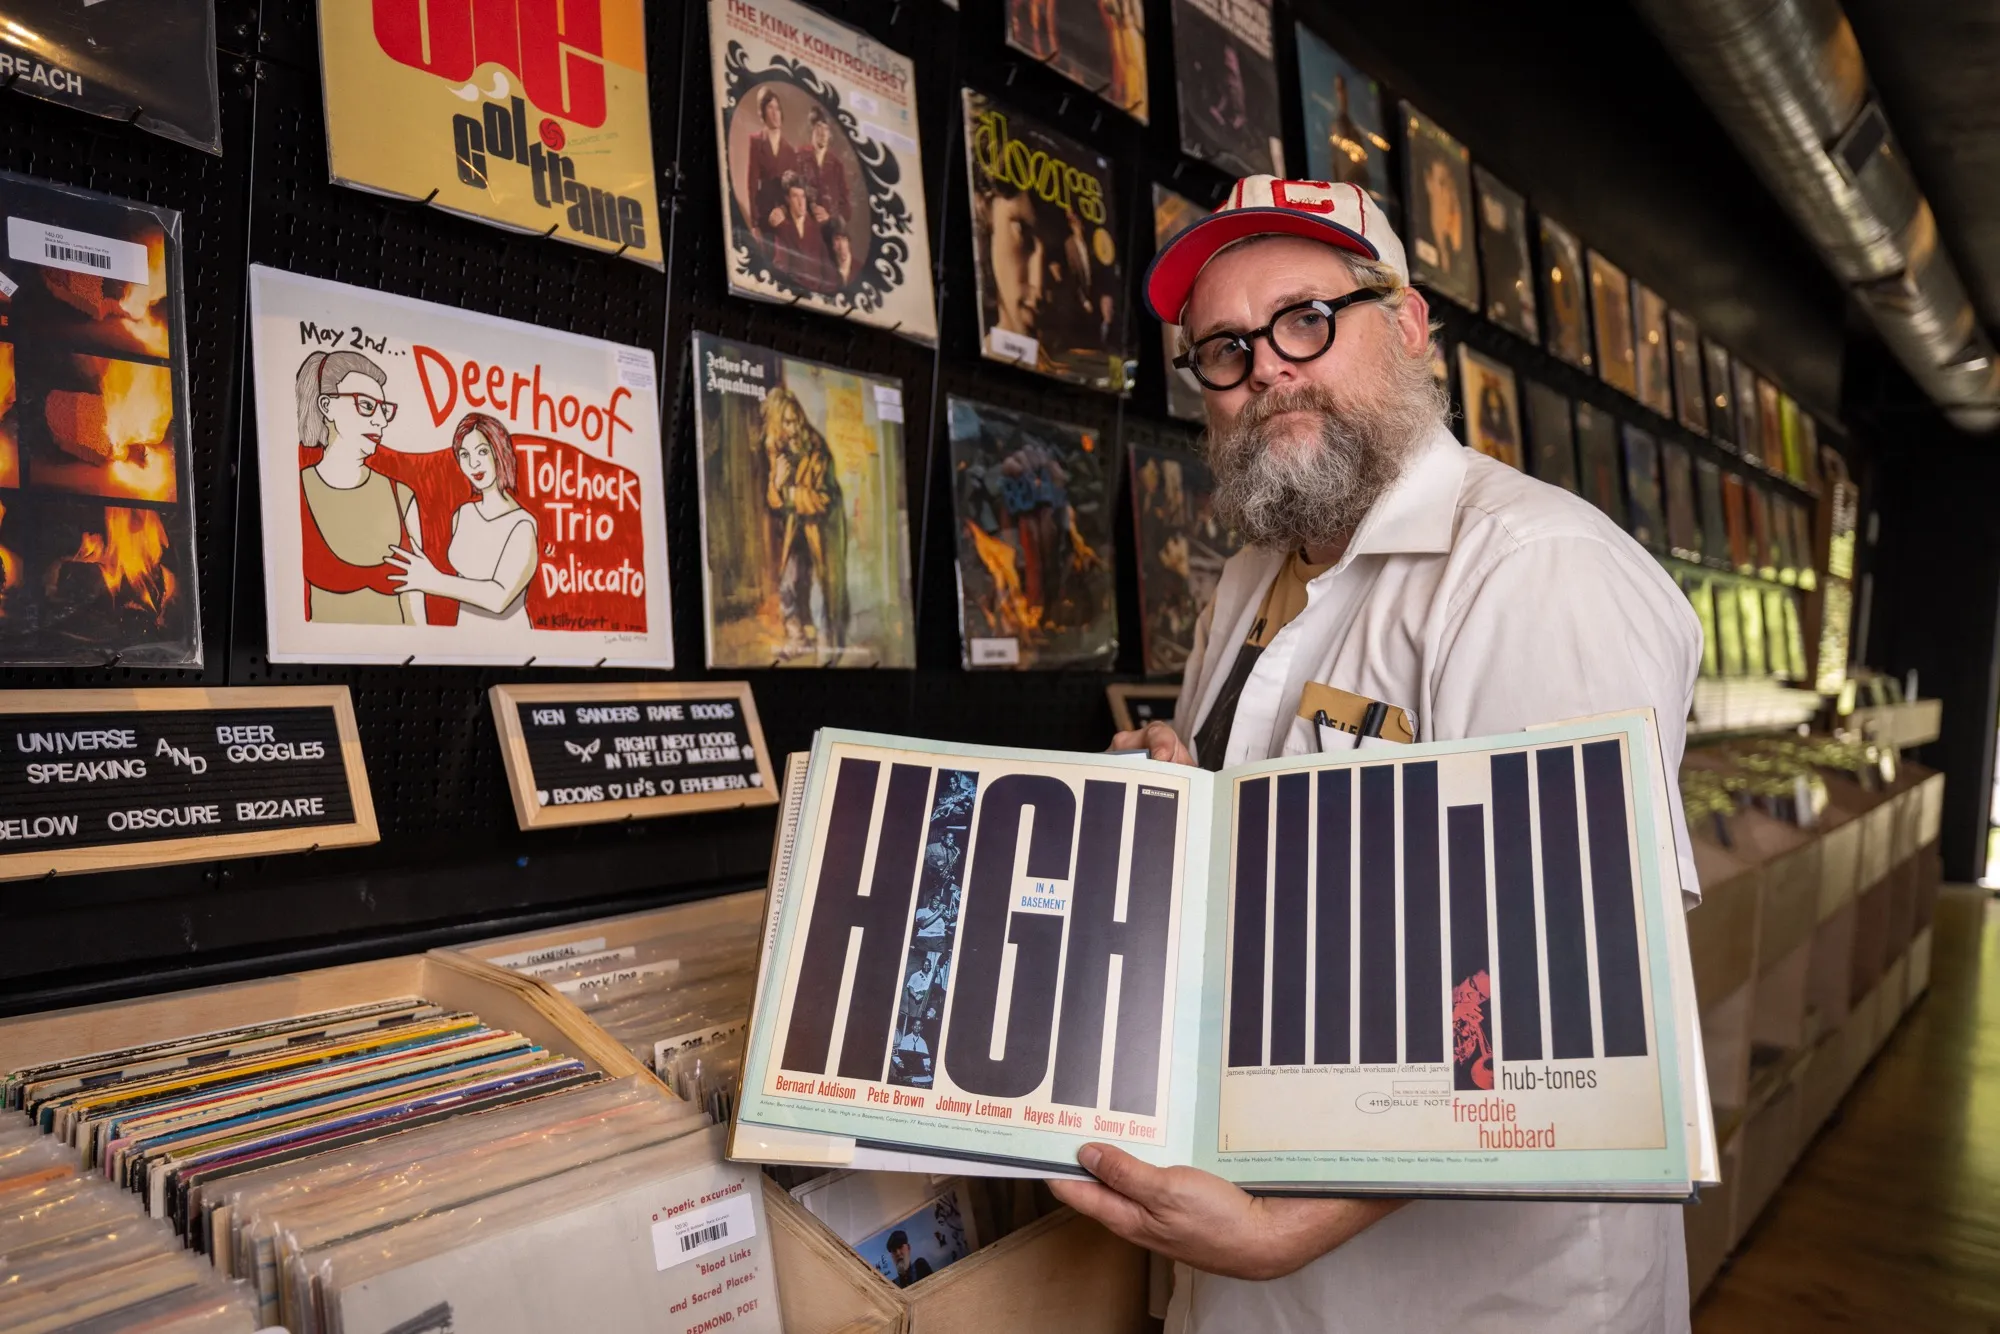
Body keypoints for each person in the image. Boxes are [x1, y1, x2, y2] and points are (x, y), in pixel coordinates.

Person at [1054, 176, 1701, 1333]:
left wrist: (1276, 1232)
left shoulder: (1536, 569)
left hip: (1470, 1295)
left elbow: (1571, 994)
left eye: (1304, 320)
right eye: (1222, 348)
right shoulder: (1251, 577)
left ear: (1406, 326)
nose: (1266, 370)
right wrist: (1171, 805)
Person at [294, 350, 412, 626]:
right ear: (327, 405)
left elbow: (413, 611)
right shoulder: (297, 490)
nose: (380, 421)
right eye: (367, 405)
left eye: (384, 409)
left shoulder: (401, 496)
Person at [386, 413, 538, 625]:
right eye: (464, 455)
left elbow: (499, 598)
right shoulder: (463, 513)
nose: (473, 463)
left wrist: (433, 581)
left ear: (500, 453)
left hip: (508, 645)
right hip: (465, 639)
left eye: (482, 452)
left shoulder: (523, 525)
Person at [761, 385, 846, 659]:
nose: (794, 426)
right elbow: (774, 501)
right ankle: (797, 638)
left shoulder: (817, 449)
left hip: (821, 529)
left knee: (822, 587)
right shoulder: (777, 450)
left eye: (796, 418)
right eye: (787, 421)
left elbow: (823, 499)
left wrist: (790, 494)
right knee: (788, 585)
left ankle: (826, 643)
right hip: (794, 530)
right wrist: (776, 484)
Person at [745, 88, 797, 237]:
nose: (775, 113)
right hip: (763, 214)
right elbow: (752, 183)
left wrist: (784, 210)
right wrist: (754, 223)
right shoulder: (755, 141)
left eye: (777, 108)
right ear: (763, 112)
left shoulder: (789, 150)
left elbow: (794, 189)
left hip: (783, 217)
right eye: (770, 108)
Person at [769, 176, 831, 292]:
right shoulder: (783, 228)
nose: (800, 202)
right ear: (787, 199)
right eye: (795, 196)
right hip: (792, 289)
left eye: (802, 196)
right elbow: (780, 263)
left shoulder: (816, 227)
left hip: (817, 293)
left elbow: (826, 266)